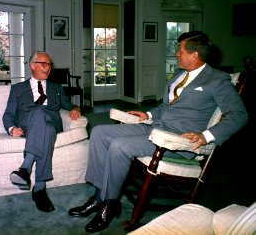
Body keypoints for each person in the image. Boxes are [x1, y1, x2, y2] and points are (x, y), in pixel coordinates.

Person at [68, 31, 248, 233]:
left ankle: (109, 206)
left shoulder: (217, 79)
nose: (176, 54)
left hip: (176, 140)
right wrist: (148, 115)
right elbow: (165, 107)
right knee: (100, 132)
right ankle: (99, 196)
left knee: (120, 146)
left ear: (194, 54)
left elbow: (239, 115)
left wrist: (205, 136)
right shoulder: (180, 74)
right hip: (156, 127)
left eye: (180, 50)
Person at [3, 51, 81, 213]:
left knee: (42, 115)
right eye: (43, 64)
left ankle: (25, 168)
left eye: (49, 65)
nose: (48, 68)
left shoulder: (56, 87)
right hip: (28, 124)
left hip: (52, 118)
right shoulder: (17, 89)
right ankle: (39, 188)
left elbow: (68, 105)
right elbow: (9, 114)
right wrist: (11, 128)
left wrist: (75, 108)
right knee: (47, 128)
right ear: (32, 65)